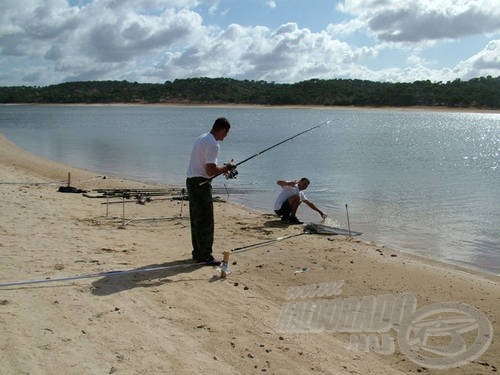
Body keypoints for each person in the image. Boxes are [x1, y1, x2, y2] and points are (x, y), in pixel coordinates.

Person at [186, 117, 235, 266]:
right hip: (201, 185)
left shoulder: (202, 138)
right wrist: (227, 167)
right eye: (225, 134)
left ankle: (198, 253)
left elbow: (207, 166)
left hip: (191, 181)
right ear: (222, 130)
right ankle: (205, 255)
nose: (224, 138)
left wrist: (223, 167)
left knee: (196, 220)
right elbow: (211, 171)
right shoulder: (213, 144)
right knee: (206, 221)